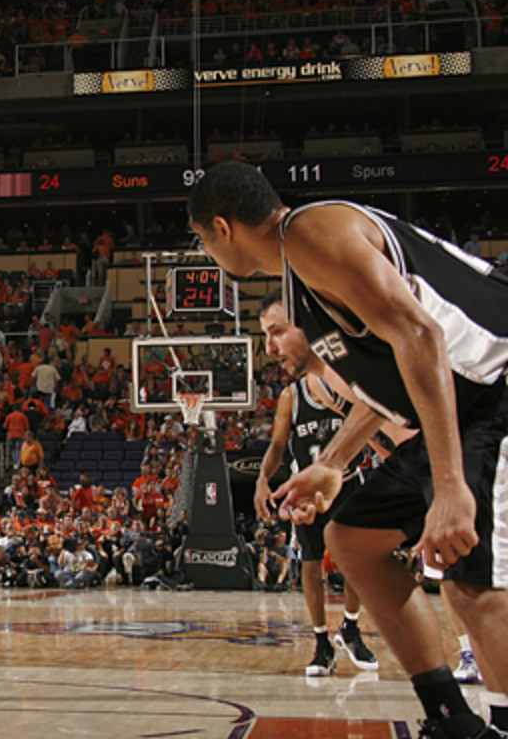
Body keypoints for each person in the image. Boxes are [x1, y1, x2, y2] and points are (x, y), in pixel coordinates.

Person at [189, 161, 508, 739]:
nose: (208, 253)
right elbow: (396, 374)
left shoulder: (309, 233)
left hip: (497, 387)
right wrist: (334, 462)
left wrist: (451, 483)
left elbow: (422, 336)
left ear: (221, 227)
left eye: (203, 241)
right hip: (469, 409)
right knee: (353, 539)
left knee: (472, 580)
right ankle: (452, 721)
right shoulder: (303, 273)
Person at [255, 291, 378, 677]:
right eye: (266, 338)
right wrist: (261, 479)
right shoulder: (292, 395)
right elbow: (277, 446)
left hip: (351, 481)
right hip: (309, 489)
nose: (271, 348)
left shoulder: (348, 384)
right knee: (311, 563)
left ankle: (352, 626)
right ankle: (322, 640)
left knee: (358, 560)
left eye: (277, 333)